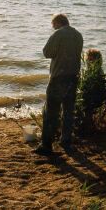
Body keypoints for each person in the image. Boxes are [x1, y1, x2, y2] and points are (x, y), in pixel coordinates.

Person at [34, 13, 83, 156]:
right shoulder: (78, 35)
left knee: (51, 112)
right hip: (73, 77)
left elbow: (46, 52)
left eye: (53, 24)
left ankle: (46, 145)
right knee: (68, 111)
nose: (53, 27)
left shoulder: (58, 34)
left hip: (59, 77)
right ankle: (66, 141)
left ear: (58, 23)